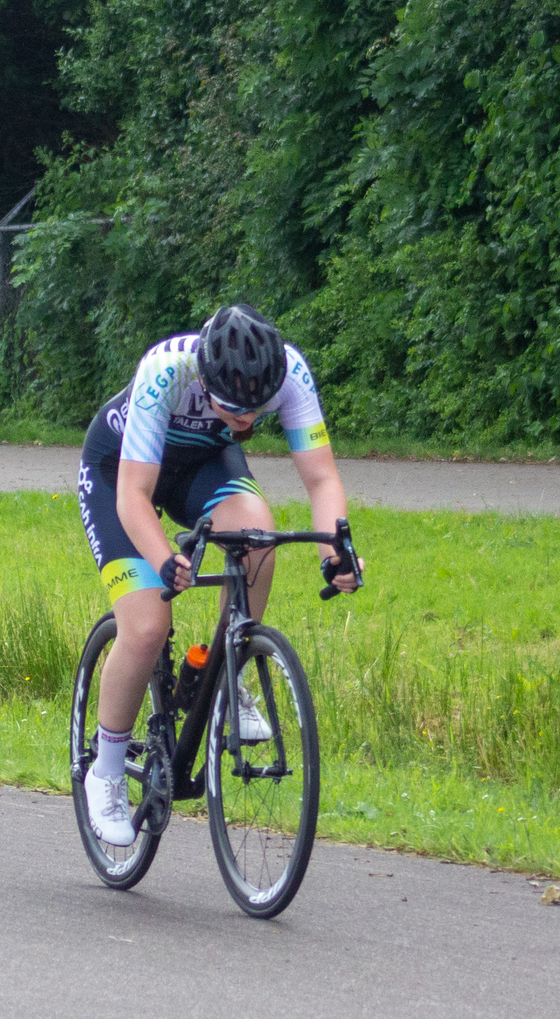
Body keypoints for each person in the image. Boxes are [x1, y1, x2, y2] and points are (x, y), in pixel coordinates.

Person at [75, 304, 360, 847]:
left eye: (256, 412)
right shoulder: (166, 370)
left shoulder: (291, 373)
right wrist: (162, 557)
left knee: (258, 539)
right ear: (205, 379)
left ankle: (230, 670)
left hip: (200, 468)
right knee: (146, 626)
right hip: (121, 474)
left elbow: (322, 480)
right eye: (232, 410)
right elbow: (134, 498)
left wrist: (335, 550)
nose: (247, 423)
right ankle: (106, 771)